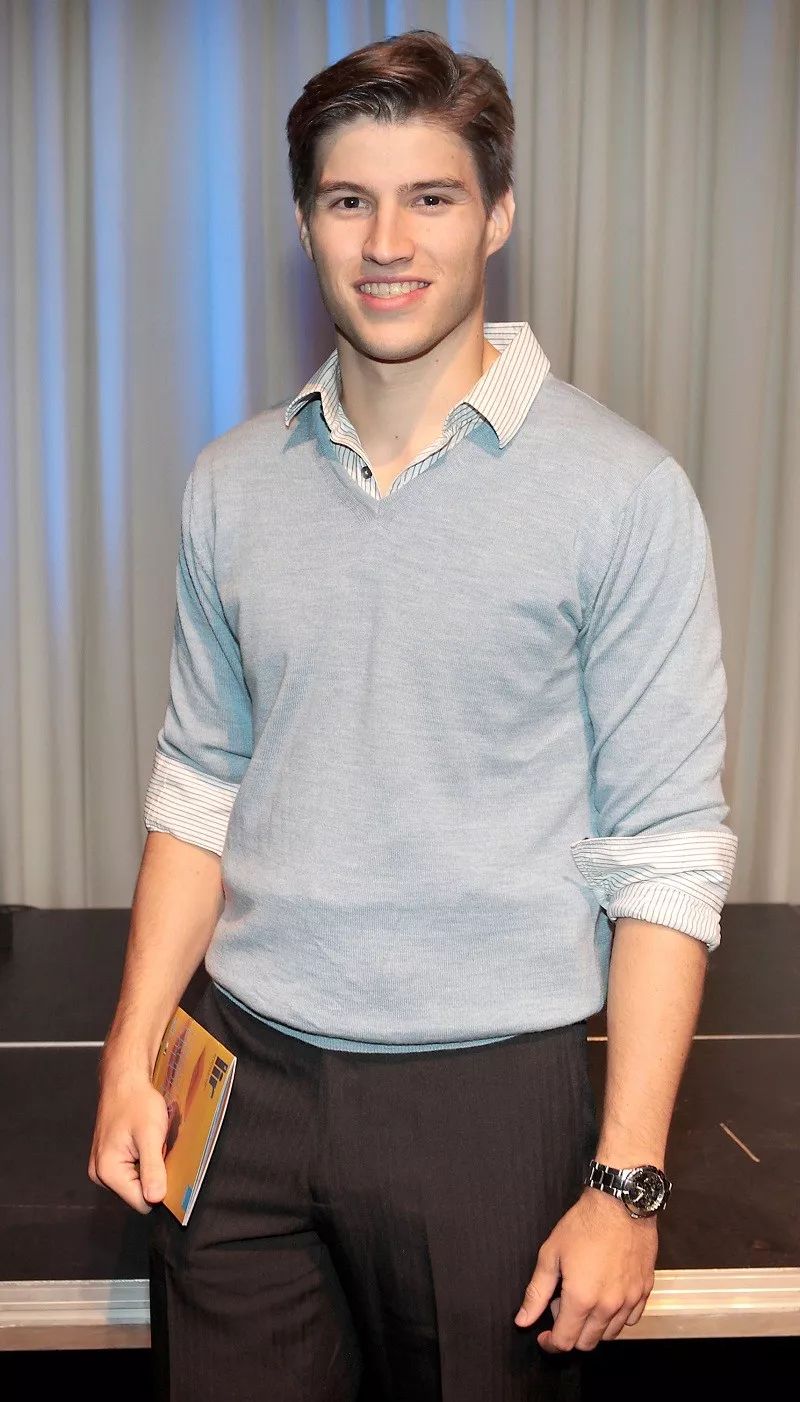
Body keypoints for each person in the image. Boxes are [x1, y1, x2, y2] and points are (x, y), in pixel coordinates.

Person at [88, 29, 739, 1401]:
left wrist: (626, 1183)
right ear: (305, 223)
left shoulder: (622, 494)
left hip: (488, 1105)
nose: (387, 241)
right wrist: (131, 1052)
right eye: (349, 199)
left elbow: (668, 851)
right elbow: (199, 783)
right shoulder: (232, 483)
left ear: (497, 215)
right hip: (237, 1084)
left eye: (430, 197)